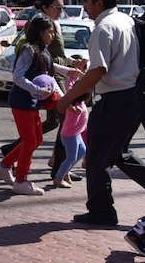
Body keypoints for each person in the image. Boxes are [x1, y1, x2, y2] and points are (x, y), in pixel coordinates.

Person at [57, 0, 145, 226]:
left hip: (116, 100)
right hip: (133, 96)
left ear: (98, 2)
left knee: (97, 158)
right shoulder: (125, 20)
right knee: (119, 153)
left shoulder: (103, 28)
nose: (85, 6)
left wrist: (68, 97)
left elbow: (98, 70)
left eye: (87, 0)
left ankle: (101, 211)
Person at [0, 15, 77, 195]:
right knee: (30, 141)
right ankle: (21, 180)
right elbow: (18, 77)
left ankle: (4, 165)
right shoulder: (28, 49)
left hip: (32, 103)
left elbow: (50, 71)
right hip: (21, 102)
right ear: (40, 32)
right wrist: (37, 90)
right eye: (50, 32)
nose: (53, 35)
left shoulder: (43, 50)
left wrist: (68, 71)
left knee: (36, 139)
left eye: (54, 32)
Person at [53, 52, 89, 189]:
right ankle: (58, 177)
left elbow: (71, 83)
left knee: (82, 151)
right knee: (71, 157)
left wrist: (79, 71)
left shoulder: (75, 98)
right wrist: (73, 112)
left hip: (76, 134)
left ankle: (64, 171)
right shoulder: (76, 107)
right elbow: (71, 123)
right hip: (70, 135)